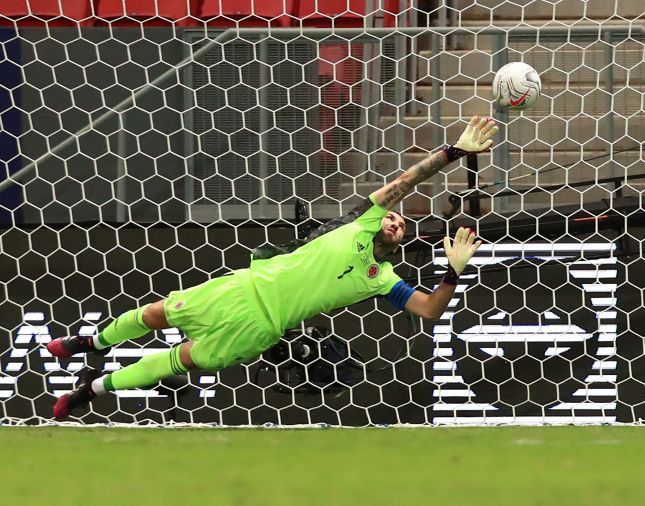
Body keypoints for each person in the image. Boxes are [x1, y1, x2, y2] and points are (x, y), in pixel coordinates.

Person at [49, 116, 499, 418]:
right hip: (241, 288)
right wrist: (455, 151)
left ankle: (91, 392)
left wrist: (453, 270)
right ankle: (89, 340)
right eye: (395, 215)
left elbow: (429, 311)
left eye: (403, 225)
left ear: (400, 244)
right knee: (155, 314)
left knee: (177, 359)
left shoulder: (381, 280)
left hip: (260, 328)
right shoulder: (362, 219)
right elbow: (407, 179)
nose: (397, 221)